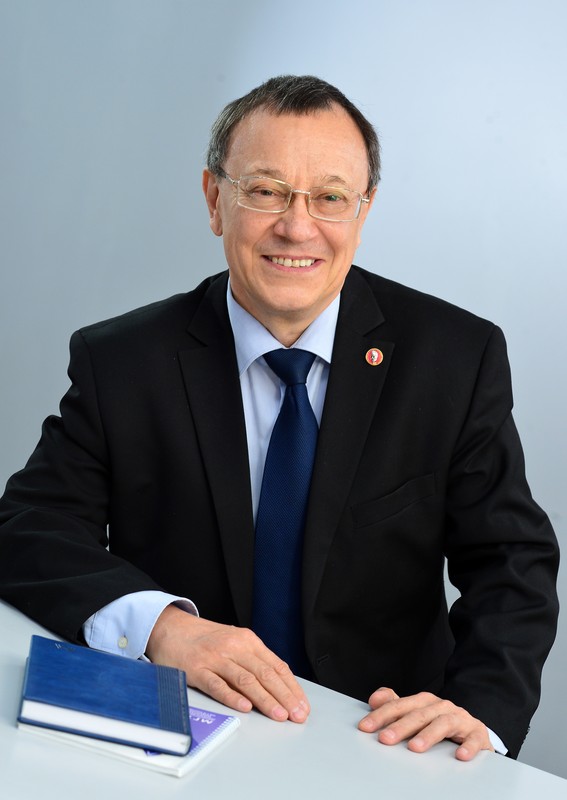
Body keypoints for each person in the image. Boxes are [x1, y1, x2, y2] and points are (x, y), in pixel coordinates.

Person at [0, 75, 559, 763]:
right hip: (188, 730)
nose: (297, 227)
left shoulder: (454, 357)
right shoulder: (122, 361)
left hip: (384, 743)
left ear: (363, 211)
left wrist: (479, 713)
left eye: (330, 198)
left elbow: (510, 561)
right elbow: (29, 529)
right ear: (215, 200)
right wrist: (165, 628)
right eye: (265, 191)